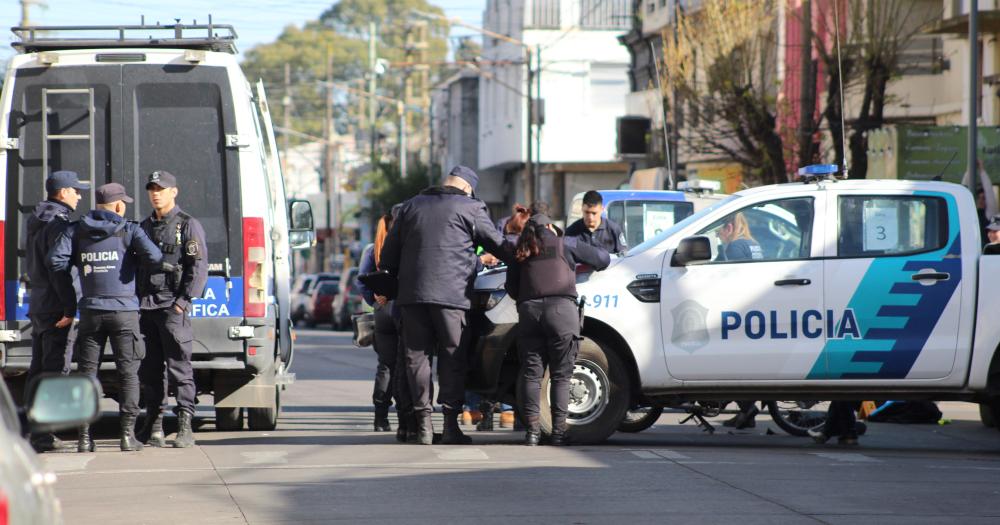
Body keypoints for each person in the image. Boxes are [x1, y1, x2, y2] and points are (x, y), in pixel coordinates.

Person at [379, 165, 511, 445]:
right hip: (452, 296)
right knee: (453, 359)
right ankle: (451, 426)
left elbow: (388, 257)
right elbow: (498, 245)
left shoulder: (410, 207)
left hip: (412, 297)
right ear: (466, 188)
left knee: (416, 359)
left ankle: (424, 425)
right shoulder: (470, 207)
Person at [47, 183, 162, 452]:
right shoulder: (130, 229)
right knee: (128, 374)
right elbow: (155, 257)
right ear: (119, 206)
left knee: (87, 376)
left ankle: (85, 439)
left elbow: (56, 263)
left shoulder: (75, 230)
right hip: (124, 313)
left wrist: (69, 303)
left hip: (90, 313)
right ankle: (126, 436)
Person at [505, 209, 611, 446]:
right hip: (562, 312)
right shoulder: (567, 243)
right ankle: (558, 434)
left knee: (532, 374)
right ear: (551, 228)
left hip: (530, 314)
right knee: (561, 376)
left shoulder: (520, 251)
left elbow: (512, 287)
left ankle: (532, 433)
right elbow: (603, 259)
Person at [136, 170, 208, 448]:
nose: (156, 193)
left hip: (171, 306)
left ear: (173, 192)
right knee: (150, 370)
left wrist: (182, 302)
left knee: (179, 368)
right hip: (146, 307)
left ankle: (184, 424)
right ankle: (153, 424)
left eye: (161, 188)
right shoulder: (143, 226)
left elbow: (197, 268)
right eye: (152, 188)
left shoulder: (187, 225)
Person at [24, 170, 90, 452]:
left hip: (39, 303)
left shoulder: (38, 219)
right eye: (76, 190)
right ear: (63, 193)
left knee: (38, 369)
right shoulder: (59, 223)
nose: (79, 195)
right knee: (54, 370)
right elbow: (58, 267)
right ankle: (44, 435)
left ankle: (32, 430)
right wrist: (69, 307)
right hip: (55, 306)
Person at [713, 211, 763, 428]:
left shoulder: (734, 247)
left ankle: (746, 408)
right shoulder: (753, 243)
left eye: (720, 233)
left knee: (728, 363)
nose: (720, 237)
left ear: (729, 228)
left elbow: (731, 279)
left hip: (740, 309)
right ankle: (746, 411)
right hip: (755, 307)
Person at [357, 211, 400, 434]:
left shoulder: (375, 248)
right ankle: (408, 417)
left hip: (382, 312)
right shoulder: (408, 243)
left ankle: (381, 418)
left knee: (386, 366)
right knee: (410, 364)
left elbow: (362, 281)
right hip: (405, 309)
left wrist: (375, 299)